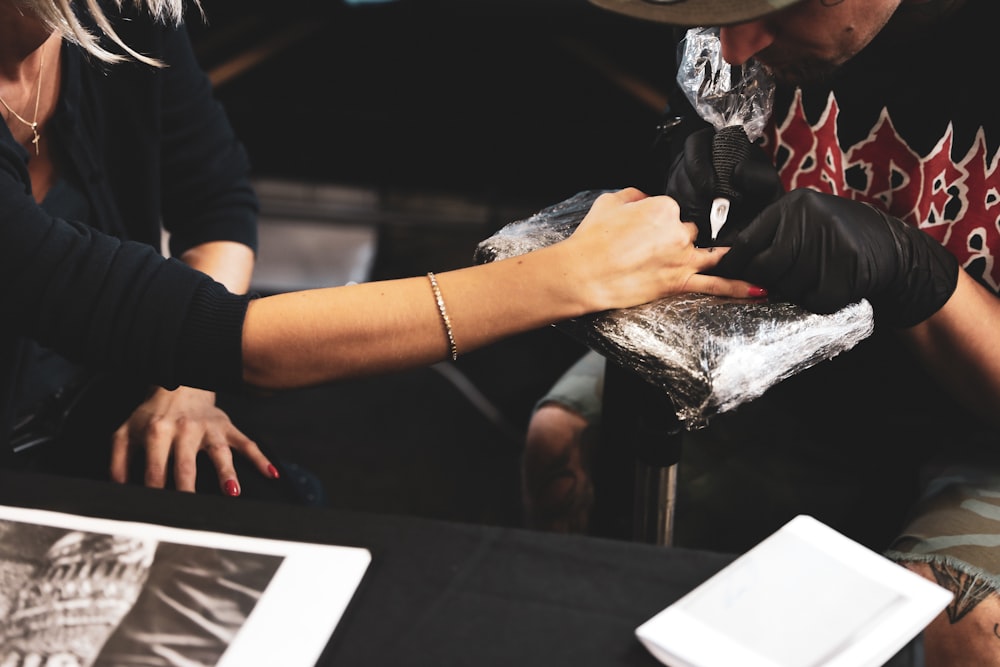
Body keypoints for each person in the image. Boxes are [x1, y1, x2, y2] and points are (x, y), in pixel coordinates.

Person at [0, 0, 762, 502]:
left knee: (291, 510)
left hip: (103, 401)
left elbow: (217, 200)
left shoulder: (115, 18)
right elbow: (240, 344)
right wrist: (564, 275)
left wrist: (182, 388)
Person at [523, 0, 1000, 664]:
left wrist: (922, 279)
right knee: (562, 443)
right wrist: (694, 165)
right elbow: (699, 137)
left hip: (979, 414)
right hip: (789, 339)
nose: (739, 44)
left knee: (960, 619)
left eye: (781, 6)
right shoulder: (732, 32)